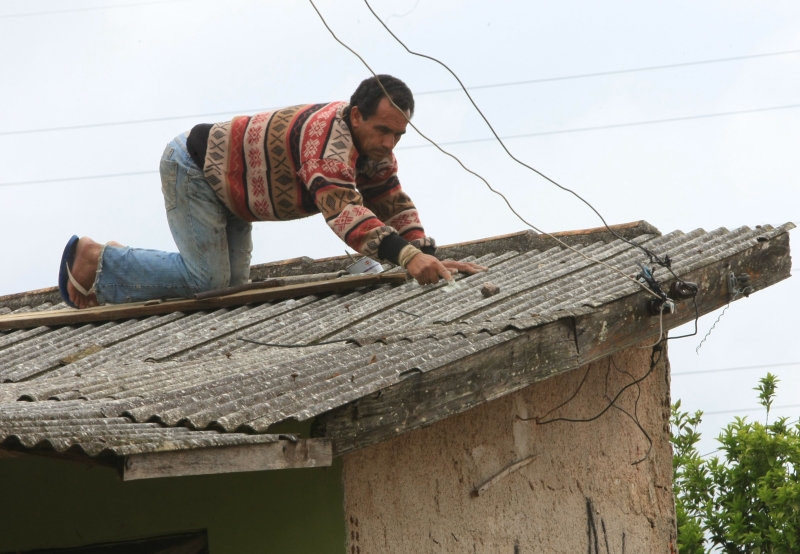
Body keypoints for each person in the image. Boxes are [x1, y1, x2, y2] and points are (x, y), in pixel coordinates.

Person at [61, 75, 487, 309]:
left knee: (229, 290)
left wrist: (423, 249)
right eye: (383, 131)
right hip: (194, 169)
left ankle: (129, 264)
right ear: (356, 116)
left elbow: (391, 198)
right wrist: (409, 259)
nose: (390, 143)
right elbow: (343, 212)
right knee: (207, 281)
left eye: (398, 134)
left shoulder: (372, 150)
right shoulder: (327, 142)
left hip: (233, 194)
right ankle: (99, 260)